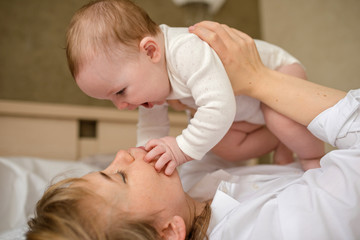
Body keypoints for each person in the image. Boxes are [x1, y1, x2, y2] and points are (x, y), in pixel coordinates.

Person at [27, 21, 359, 240]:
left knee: (235, 137)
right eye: (121, 176)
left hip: (276, 72)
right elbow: (172, 127)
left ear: (151, 52)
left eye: (107, 167)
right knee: (236, 140)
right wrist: (258, 78)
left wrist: (168, 147)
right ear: (169, 232)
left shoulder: (191, 190)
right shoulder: (279, 229)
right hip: (259, 89)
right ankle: (307, 153)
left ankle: (295, 148)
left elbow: (155, 131)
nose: (120, 154)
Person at [66, 0, 324, 175]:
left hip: (276, 75)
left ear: (150, 51)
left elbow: (218, 107)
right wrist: (146, 156)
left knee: (280, 118)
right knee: (223, 146)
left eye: (120, 91)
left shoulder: (186, 50)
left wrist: (181, 149)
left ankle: (313, 158)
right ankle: (281, 140)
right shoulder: (150, 82)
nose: (121, 106)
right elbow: (152, 127)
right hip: (245, 109)